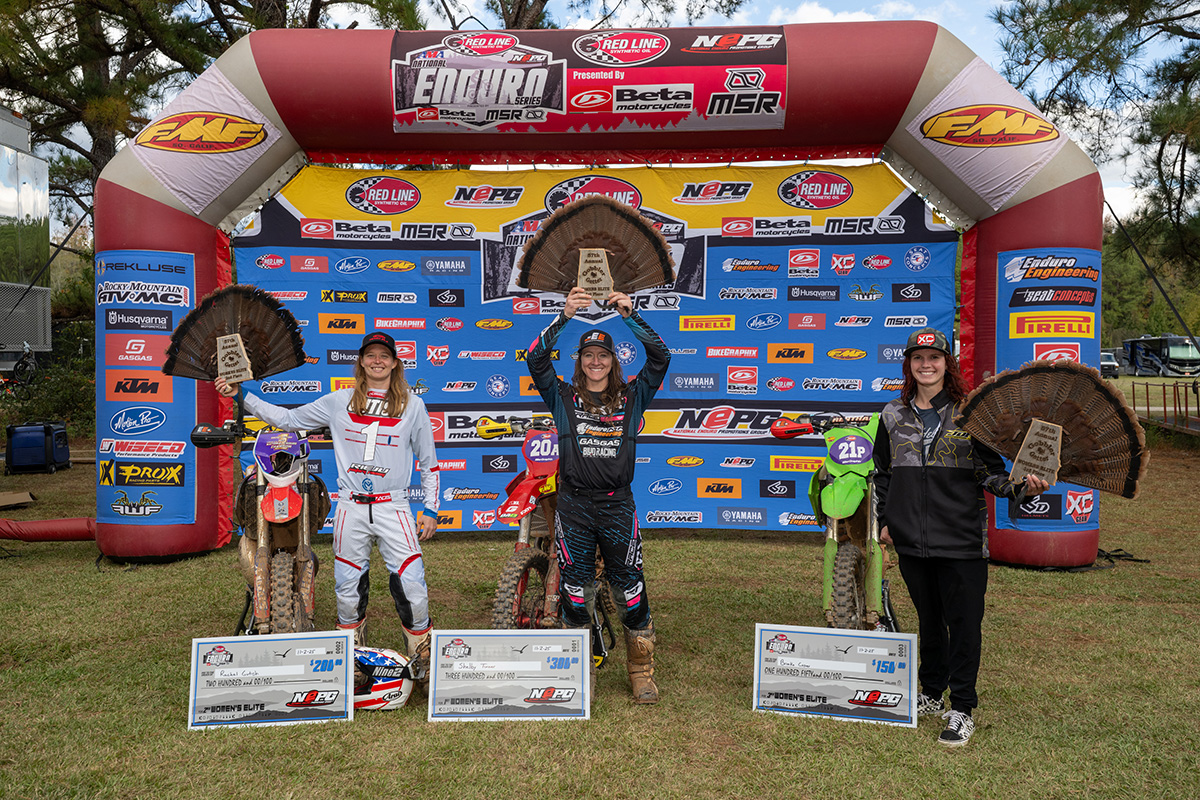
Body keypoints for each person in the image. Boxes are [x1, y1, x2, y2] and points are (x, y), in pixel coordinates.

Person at [215, 331, 440, 680]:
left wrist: (430, 509)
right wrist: (242, 395)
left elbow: (429, 463)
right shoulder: (339, 401)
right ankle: (352, 661)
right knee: (348, 588)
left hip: (393, 506)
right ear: (361, 362)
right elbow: (286, 421)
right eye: (370, 355)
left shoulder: (413, 405)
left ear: (396, 363)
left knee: (411, 584)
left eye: (384, 355)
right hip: (350, 505)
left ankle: (422, 655)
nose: (377, 361)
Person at [873, 327, 1048, 747]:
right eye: (918, 358)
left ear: (946, 363)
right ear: (909, 365)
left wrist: (1021, 488)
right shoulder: (892, 414)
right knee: (929, 621)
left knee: (964, 625)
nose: (926, 364)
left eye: (934, 357)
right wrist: (884, 518)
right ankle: (932, 693)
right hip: (912, 541)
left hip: (962, 541)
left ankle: (962, 708)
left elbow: (990, 473)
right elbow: (883, 472)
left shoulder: (971, 413)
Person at [526, 286, 670, 704]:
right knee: (575, 589)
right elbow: (535, 358)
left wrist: (629, 315)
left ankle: (641, 670)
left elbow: (661, 357)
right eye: (588, 355)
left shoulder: (632, 396)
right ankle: (578, 669)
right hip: (572, 506)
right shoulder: (563, 397)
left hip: (617, 505)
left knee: (631, 588)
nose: (595, 361)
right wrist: (565, 316)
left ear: (613, 361)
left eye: (603, 355)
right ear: (580, 361)